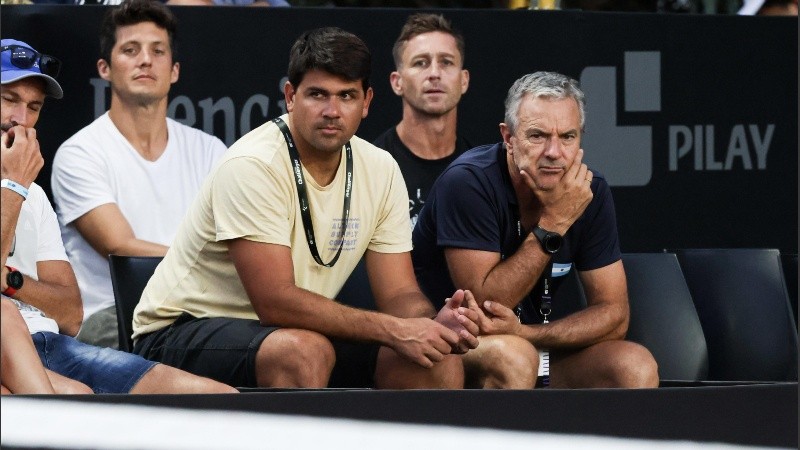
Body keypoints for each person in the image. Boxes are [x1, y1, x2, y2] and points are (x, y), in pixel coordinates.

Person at [133, 27, 480, 390]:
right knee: (302, 352)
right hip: (178, 331)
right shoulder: (254, 164)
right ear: (290, 96)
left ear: (366, 101)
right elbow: (275, 302)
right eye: (317, 94)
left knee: (432, 361)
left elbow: (399, 294)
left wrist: (430, 323)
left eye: (347, 96)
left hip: (290, 331)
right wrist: (396, 330)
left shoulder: (381, 167)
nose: (332, 111)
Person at [1, 38, 237, 394]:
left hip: (53, 343)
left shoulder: (33, 193)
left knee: (217, 398)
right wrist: (13, 186)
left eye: (34, 106)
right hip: (9, 345)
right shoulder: (24, 186)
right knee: (76, 400)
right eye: (9, 100)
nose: (21, 119)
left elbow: (69, 314)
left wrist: (10, 281)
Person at [412, 71, 659, 389]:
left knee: (633, 366)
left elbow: (615, 316)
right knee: (513, 356)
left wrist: (527, 334)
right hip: (453, 344)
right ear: (508, 138)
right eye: (538, 136)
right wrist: (553, 223)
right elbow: (487, 304)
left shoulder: (589, 191)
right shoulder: (469, 181)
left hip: (528, 343)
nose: (555, 152)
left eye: (567, 137)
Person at [51, 0, 227, 349]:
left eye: (157, 51)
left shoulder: (210, 150)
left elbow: (232, 244)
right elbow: (122, 249)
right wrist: (209, 268)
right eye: (130, 50)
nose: (145, 60)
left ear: (174, 70)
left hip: (198, 312)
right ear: (104, 68)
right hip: (113, 320)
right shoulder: (79, 152)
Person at [373, 13, 471, 228]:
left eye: (446, 62)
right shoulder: (371, 169)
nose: (434, 73)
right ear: (397, 82)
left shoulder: (481, 170)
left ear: (464, 80)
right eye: (420, 63)